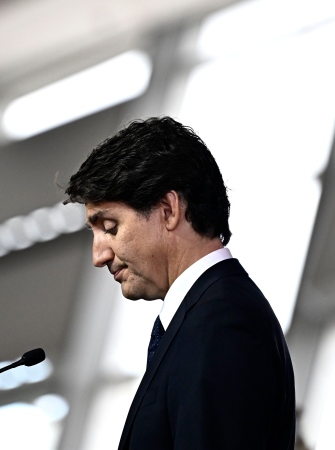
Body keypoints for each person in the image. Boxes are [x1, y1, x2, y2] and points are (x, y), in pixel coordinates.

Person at [64, 116, 295, 449]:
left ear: (168, 209)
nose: (98, 256)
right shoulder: (208, 315)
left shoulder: (220, 322)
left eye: (111, 227)